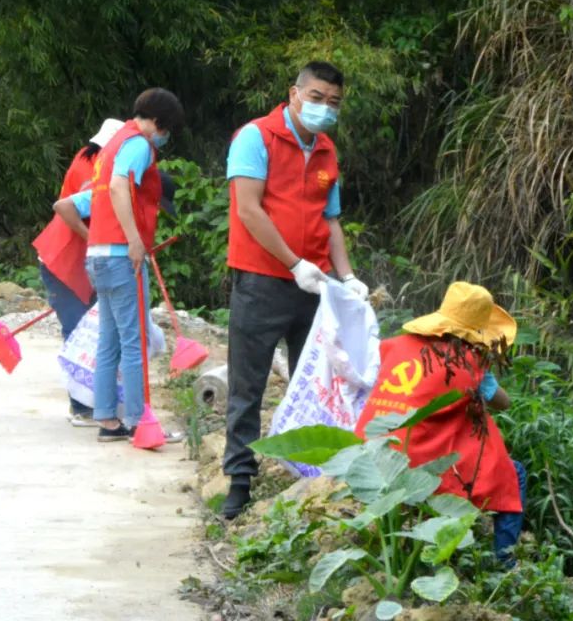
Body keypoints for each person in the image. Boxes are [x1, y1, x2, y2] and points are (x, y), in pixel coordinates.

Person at [222, 60, 368, 518]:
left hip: (316, 289)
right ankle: (240, 480)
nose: (325, 108)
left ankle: (311, 475)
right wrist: (292, 262)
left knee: (318, 382)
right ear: (294, 93)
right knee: (248, 384)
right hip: (262, 281)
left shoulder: (326, 150)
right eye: (318, 97)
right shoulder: (256, 138)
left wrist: (346, 278)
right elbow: (248, 209)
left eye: (335, 102)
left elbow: (331, 220)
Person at [353, 281, 526, 566]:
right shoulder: (468, 362)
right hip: (414, 461)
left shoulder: (396, 347)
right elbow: (502, 402)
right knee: (513, 472)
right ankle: (504, 562)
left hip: (369, 452)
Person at [81, 88, 184, 442]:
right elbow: (118, 186)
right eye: (166, 129)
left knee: (109, 340)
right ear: (158, 122)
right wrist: (135, 240)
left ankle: (109, 420)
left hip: (97, 254)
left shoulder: (111, 144)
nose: (164, 136)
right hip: (121, 254)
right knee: (134, 341)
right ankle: (142, 423)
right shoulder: (139, 144)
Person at [33, 118, 124, 425]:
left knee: (92, 331)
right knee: (78, 333)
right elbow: (72, 208)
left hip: (84, 261)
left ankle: (97, 401)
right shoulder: (95, 168)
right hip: (64, 259)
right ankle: (81, 407)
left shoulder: (87, 159)